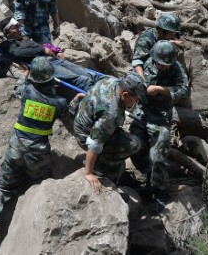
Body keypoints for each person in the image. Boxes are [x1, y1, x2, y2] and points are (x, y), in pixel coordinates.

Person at [0, 57, 69, 253]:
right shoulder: (59, 102)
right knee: (37, 187)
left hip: (16, 148)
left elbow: (18, 87)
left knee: (1, 189)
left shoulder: (27, 91)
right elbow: (66, 112)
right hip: (38, 154)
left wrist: (26, 75)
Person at [129, 40, 189, 209]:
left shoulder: (176, 68)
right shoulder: (147, 63)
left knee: (158, 156)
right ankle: (147, 175)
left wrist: (160, 89)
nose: (163, 67)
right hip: (141, 113)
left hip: (161, 118)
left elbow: (184, 90)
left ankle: (158, 190)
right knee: (134, 145)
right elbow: (133, 74)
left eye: (166, 64)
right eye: (160, 64)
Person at [71, 73, 147, 194]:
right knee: (134, 144)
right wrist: (89, 173)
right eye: (135, 100)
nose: (135, 103)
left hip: (83, 120)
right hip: (85, 134)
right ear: (125, 94)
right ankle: (101, 165)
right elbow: (94, 143)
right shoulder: (111, 113)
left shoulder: (112, 80)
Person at [132, 12, 183, 79]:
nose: (173, 35)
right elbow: (137, 61)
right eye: (171, 33)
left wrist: (173, 42)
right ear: (163, 31)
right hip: (148, 70)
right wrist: (142, 79)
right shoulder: (146, 39)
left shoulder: (164, 37)